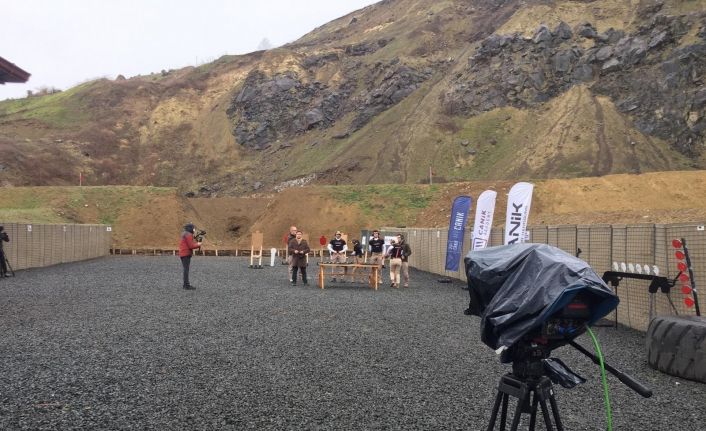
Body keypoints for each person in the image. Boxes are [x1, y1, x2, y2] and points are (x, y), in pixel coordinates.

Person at [178, 223, 202, 290]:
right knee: (186, 270)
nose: (194, 229)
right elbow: (191, 246)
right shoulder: (189, 235)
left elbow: (189, 243)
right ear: (190, 228)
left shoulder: (185, 233)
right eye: (193, 228)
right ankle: (186, 285)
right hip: (186, 254)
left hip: (183, 253)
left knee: (185, 269)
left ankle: (185, 285)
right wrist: (198, 244)